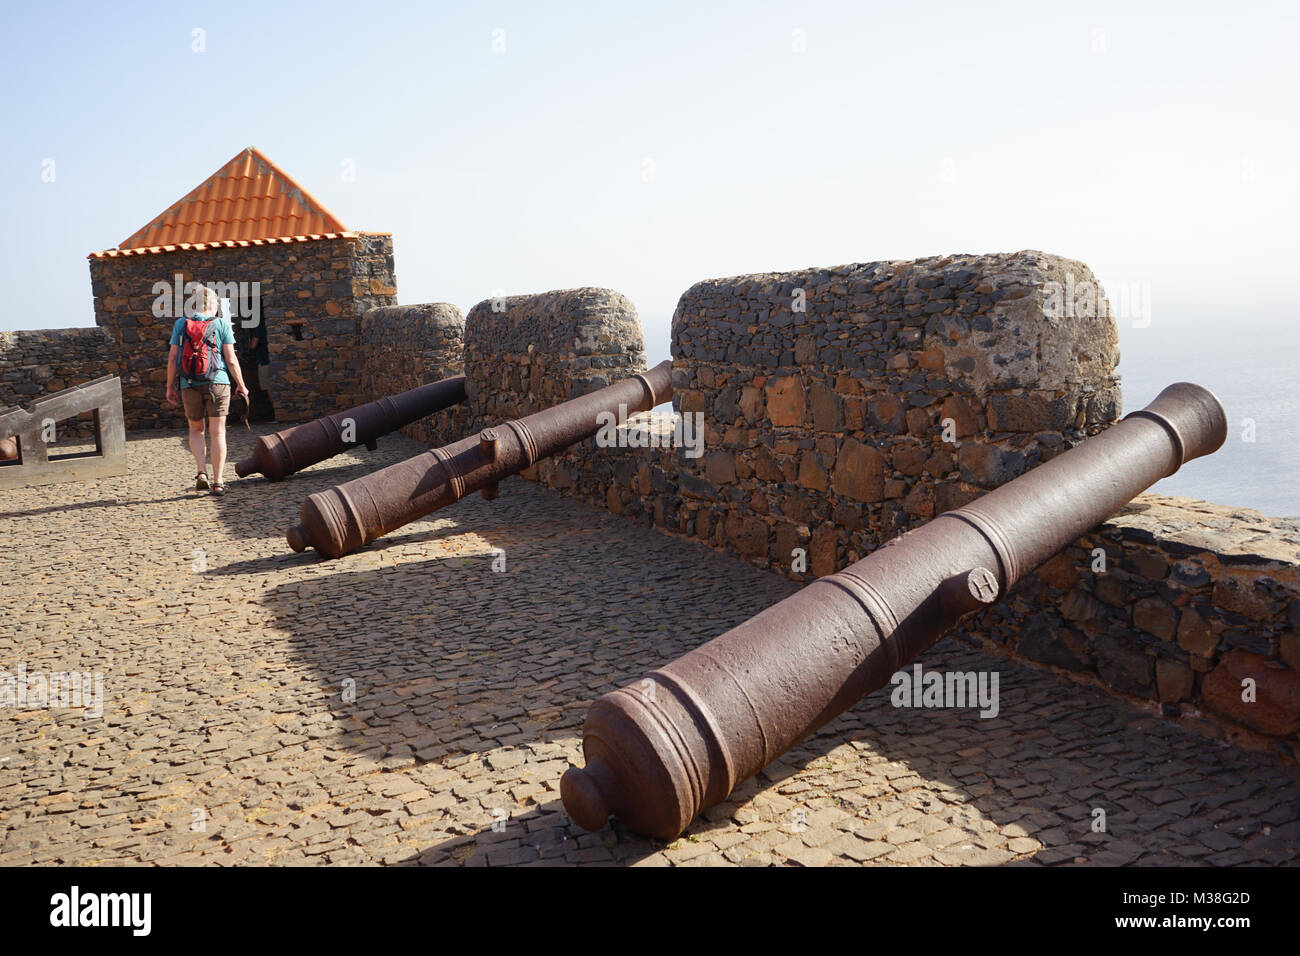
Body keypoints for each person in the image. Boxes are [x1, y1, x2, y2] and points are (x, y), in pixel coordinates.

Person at [165, 285, 250, 495]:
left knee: (196, 429)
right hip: (218, 381)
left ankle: (201, 472)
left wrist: (169, 386)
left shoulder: (181, 324)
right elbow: (230, 359)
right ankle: (218, 481)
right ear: (213, 304)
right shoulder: (221, 323)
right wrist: (241, 384)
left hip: (189, 383)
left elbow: (173, 358)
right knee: (218, 431)